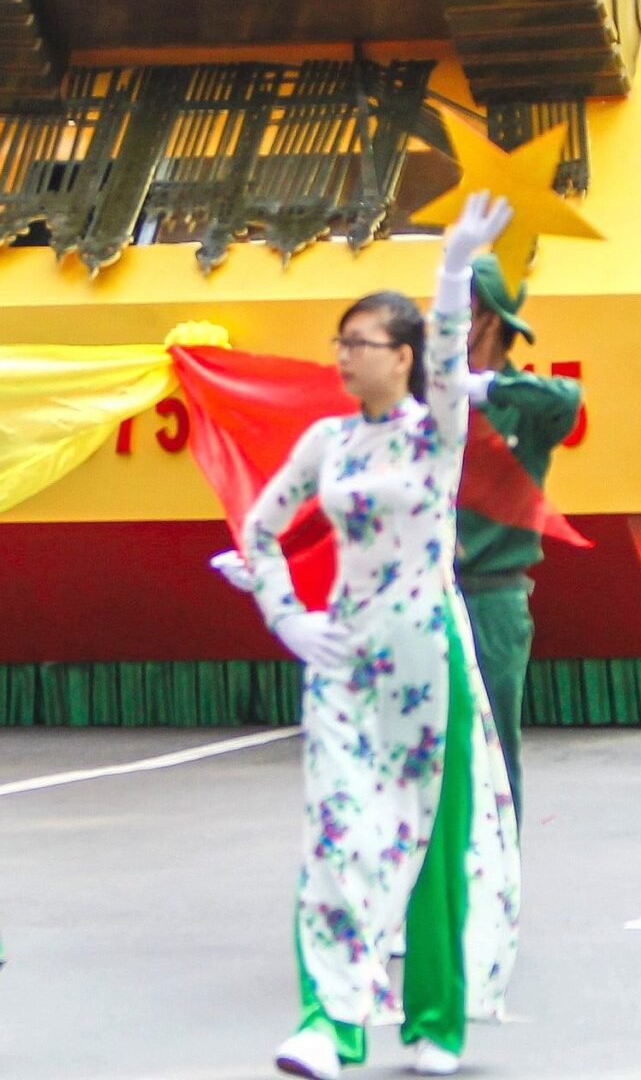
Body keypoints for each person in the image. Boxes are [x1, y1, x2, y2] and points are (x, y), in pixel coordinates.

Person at [240, 195, 520, 1080]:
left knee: (428, 836)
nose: (343, 357)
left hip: (427, 653)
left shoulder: (435, 433)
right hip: (345, 655)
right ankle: (330, 1023)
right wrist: (288, 617)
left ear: (403, 358)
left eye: (359, 344)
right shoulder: (328, 441)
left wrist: (449, 270)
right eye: (339, 342)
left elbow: (449, 355)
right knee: (336, 832)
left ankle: (435, 1024)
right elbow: (260, 530)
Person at [459, 255, 582, 828]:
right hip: (427, 596)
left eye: (465, 306)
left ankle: (501, 872)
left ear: (488, 318)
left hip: (493, 597)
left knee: (494, 747)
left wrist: (488, 386)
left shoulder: (517, 403)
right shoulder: (429, 394)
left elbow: (566, 400)